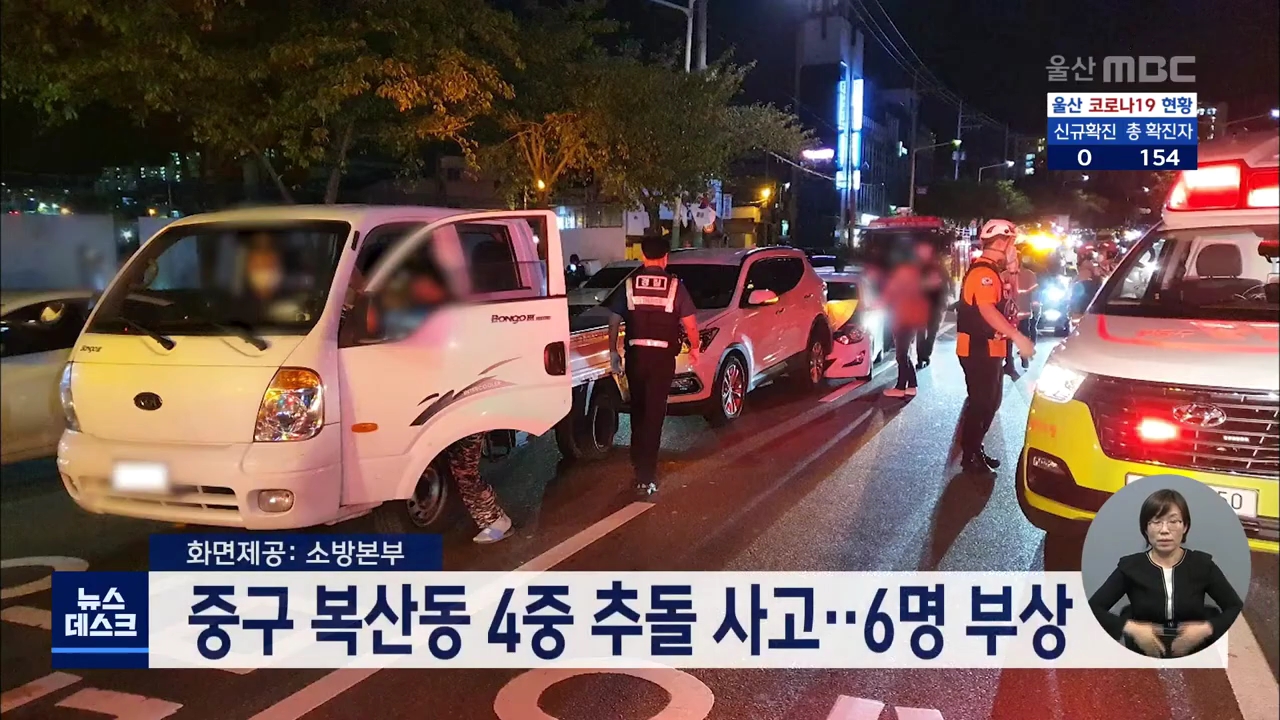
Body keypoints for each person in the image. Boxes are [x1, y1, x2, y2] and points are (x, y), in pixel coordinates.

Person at [371, 251, 514, 543]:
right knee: (450, 464)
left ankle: (496, 520)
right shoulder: (431, 313)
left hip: (466, 402)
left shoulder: (459, 315)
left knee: (463, 468)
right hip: (439, 402)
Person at [1088, 489, 1243, 658]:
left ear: (1185, 526)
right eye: (1156, 522)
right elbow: (1093, 608)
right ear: (1145, 528)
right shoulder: (1130, 567)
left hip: (1195, 655)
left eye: (1173, 521)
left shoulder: (1202, 565)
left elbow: (1234, 607)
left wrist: (1205, 629)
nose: (1164, 530)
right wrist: (1132, 629)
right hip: (1143, 655)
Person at [607, 235, 699, 497]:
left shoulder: (629, 284)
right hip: (662, 359)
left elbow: (613, 318)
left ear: (643, 256)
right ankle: (646, 474)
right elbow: (690, 324)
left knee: (638, 410)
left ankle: (638, 463)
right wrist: (695, 348)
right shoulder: (675, 286)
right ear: (666, 257)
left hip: (636, 357)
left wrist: (613, 351)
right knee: (654, 414)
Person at [955, 219, 1035, 473]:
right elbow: (988, 310)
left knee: (991, 402)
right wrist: (1018, 337)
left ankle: (974, 448)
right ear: (1002, 243)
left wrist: (1013, 270)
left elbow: (1013, 303)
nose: (1015, 248)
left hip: (991, 348)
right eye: (1012, 243)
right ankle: (969, 455)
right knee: (982, 403)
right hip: (977, 348)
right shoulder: (983, 274)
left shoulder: (994, 272)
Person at [883, 244, 931, 398]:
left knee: (901, 355)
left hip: (904, 320)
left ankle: (901, 387)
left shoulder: (903, 276)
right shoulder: (913, 275)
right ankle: (911, 385)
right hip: (909, 319)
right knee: (903, 354)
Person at [916, 241, 951, 369]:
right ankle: (924, 356)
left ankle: (922, 356)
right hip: (931, 306)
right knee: (929, 333)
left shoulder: (924, 269)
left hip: (931, 306)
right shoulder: (938, 270)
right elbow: (947, 287)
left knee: (925, 333)